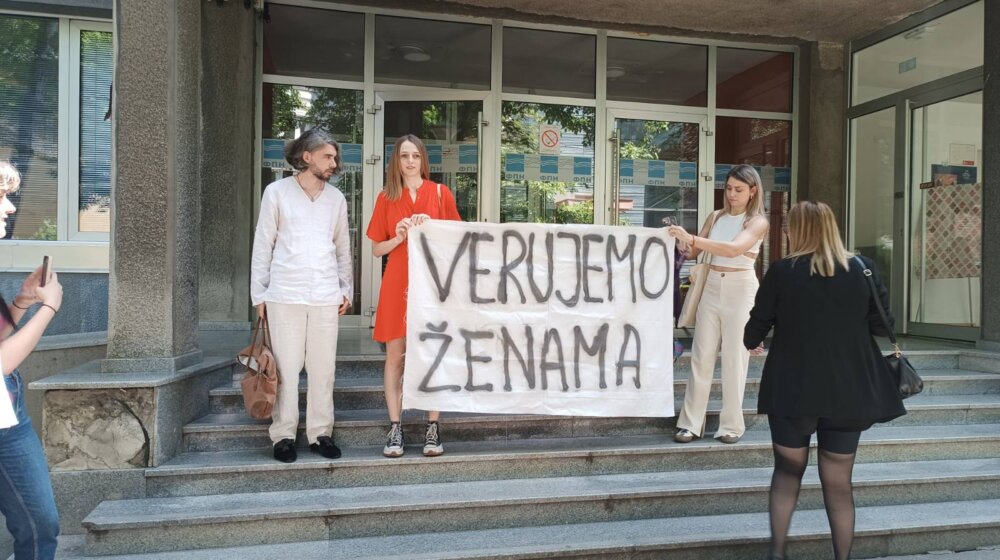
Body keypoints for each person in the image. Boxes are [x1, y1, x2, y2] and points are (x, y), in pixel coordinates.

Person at [743, 201, 905, 560]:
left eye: (788, 226)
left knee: (787, 472)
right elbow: (884, 327)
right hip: (849, 390)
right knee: (838, 482)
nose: (784, 231)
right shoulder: (863, 268)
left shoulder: (783, 271)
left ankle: (777, 553)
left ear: (798, 231)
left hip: (792, 388)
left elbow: (752, 334)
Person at [250, 130, 353, 463]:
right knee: (287, 369)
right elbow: (263, 244)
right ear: (307, 157)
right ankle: (283, 435)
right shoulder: (276, 193)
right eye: (328, 157)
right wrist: (259, 293)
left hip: (325, 293)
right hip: (284, 293)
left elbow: (342, 248)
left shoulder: (336, 199)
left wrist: (345, 288)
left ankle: (321, 433)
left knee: (323, 369)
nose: (334, 163)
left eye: (335, 158)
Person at [366, 134, 461, 458]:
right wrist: (399, 236)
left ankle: (432, 427)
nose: (409, 161)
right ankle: (396, 427)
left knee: (432, 354)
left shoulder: (440, 193)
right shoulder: (386, 198)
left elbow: (457, 241)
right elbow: (377, 248)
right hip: (397, 282)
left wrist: (432, 226)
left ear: (423, 160)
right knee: (396, 356)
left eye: (415, 156)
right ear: (396, 161)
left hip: (433, 285)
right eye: (404, 156)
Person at [666, 164, 769, 444]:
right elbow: (692, 252)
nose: (732, 194)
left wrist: (694, 239)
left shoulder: (757, 221)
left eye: (739, 189)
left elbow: (735, 249)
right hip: (711, 286)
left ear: (752, 191)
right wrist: (678, 240)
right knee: (701, 356)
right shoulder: (715, 216)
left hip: (741, 288)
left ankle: (731, 426)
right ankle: (690, 423)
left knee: (736, 358)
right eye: (729, 188)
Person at [0, 161, 63, 559]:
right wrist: (48, 309)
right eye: (2, 197)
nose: (9, 208)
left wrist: (23, 302)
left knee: (41, 523)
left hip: (10, 411)